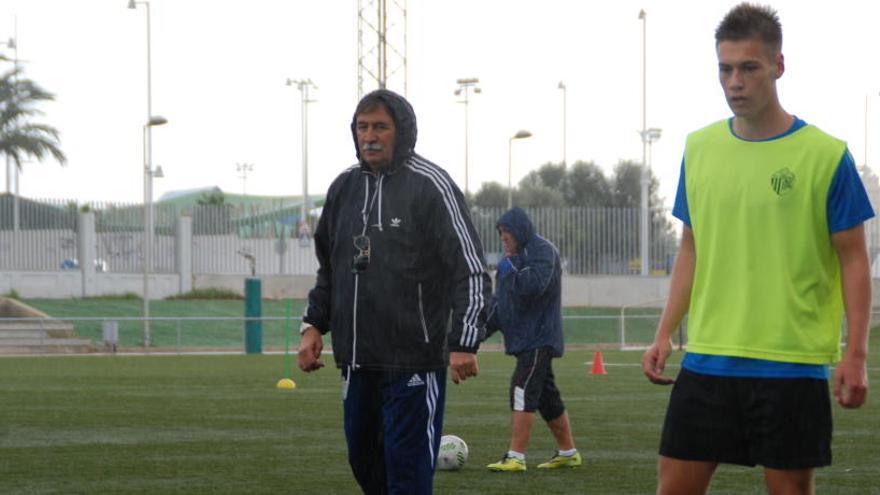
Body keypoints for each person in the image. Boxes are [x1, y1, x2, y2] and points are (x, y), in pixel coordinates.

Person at [641, 4, 874, 494]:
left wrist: (856, 353)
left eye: (748, 67)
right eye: (725, 69)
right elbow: (692, 246)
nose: (734, 82)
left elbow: (854, 258)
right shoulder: (699, 148)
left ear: (777, 66)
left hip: (791, 364)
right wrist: (664, 333)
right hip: (707, 359)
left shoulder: (826, 155)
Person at [297, 89, 491, 495]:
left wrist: (465, 341)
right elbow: (330, 268)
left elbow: (470, 268)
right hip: (357, 361)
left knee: (407, 476)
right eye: (362, 127)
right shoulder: (343, 190)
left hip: (413, 362)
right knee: (366, 467)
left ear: (401, 132)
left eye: (380, 127)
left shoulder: (431, 186)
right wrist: (314, 324)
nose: (370, 135)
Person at [484, 207, 581, 472]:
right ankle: (568, 452)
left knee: (521, 388)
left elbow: (534, 285)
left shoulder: (542, 251)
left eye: (507, 232)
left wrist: (511, 265)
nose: (503, 238)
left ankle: (516, 456)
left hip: (540, 339)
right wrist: (473, 336)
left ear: (520, 230)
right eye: (500, 233)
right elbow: (499, 306)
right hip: (524, 341)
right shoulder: (509, 263)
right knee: (547, 398)